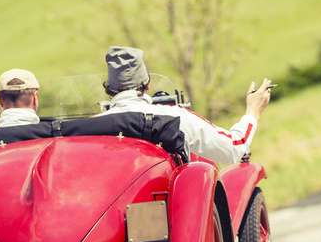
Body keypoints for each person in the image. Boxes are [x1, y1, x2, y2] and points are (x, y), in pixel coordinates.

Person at [98, 46, 272, 164]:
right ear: (146, 84)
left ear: (109, 90)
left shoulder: (91, 126)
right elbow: (234, 148)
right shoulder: (174, 116)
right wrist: (253, 111)